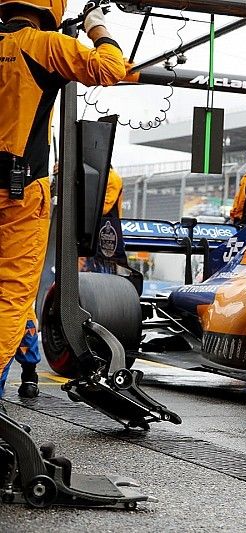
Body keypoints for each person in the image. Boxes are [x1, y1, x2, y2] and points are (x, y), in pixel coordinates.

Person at [0, 0, 126, 399]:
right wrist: (96, 26)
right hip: (20, 193)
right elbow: (111, 68)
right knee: (12, 295)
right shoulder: (45, 45)